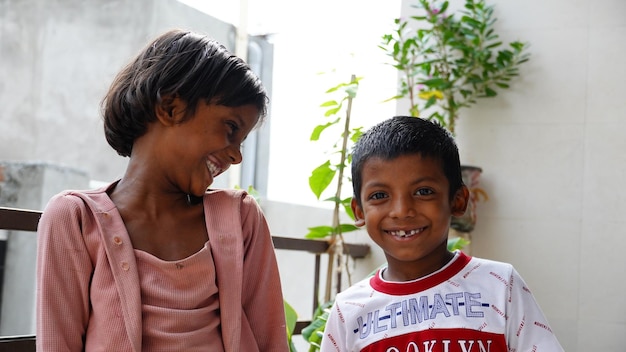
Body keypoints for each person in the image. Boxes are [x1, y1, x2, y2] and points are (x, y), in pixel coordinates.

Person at [36, 29, 288, 352]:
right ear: (170, 108)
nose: (236, 155)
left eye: (242, 142)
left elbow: (271, 342)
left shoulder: (240, 218)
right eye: (231, 129)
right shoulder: (75, 219)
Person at [320, 116, 564, 351]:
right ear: (359, 211)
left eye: (423, 191)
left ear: (458, 201)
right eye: (379, 195)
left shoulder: (500, 285)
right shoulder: (349, 310)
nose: (401, 211)